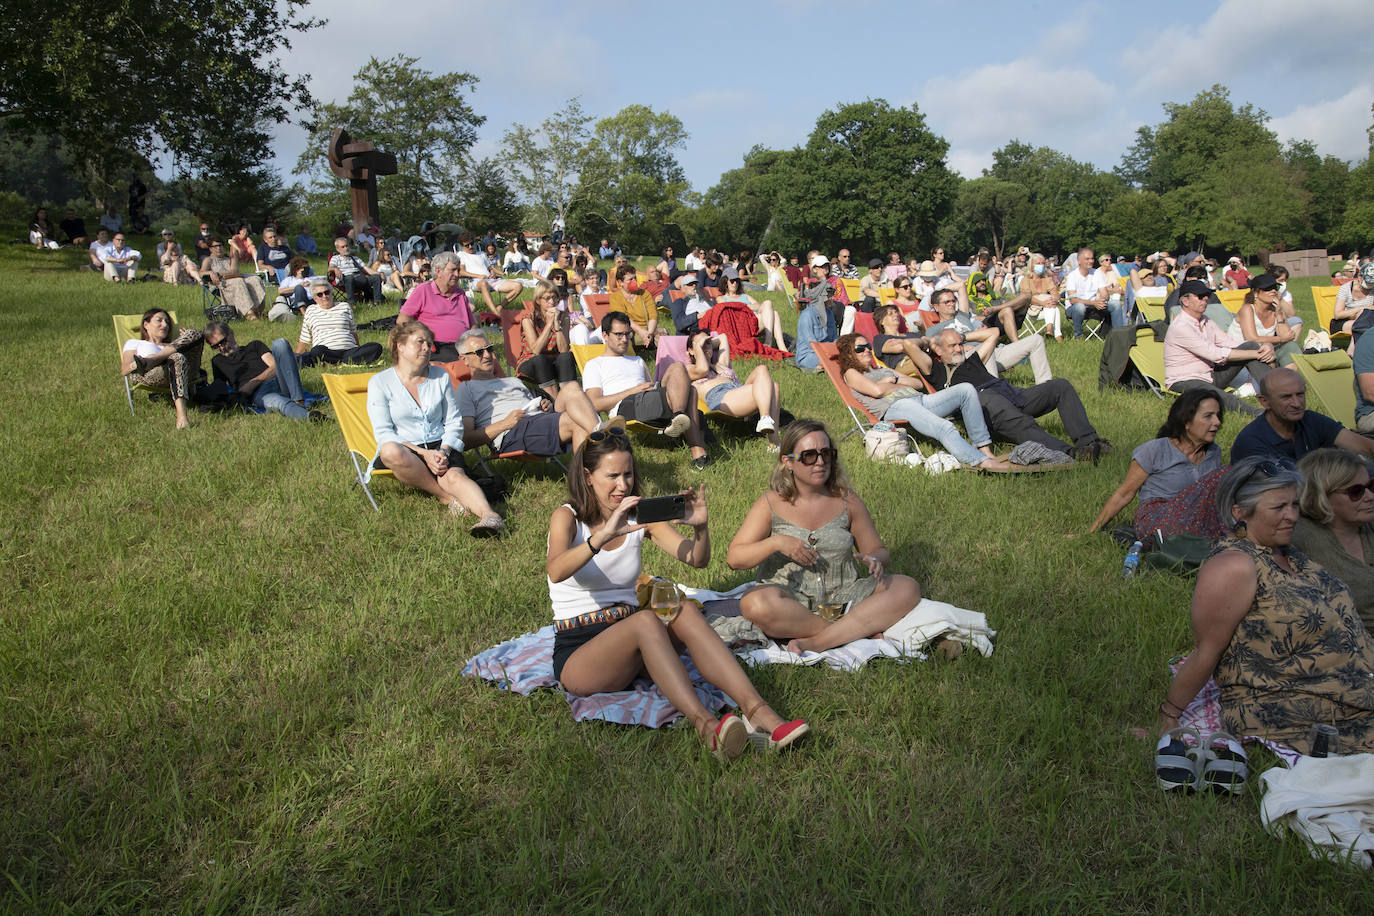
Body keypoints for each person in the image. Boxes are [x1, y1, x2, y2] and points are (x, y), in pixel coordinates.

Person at [546, 428, 808, 759]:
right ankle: (708, 728)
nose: (623, 484)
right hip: (581, 652)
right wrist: (602, 536)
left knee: (681, 609)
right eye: (612, 476)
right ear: (587, 476)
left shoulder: (640, 518)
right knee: (646, 621)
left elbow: (697, 560)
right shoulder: (568, 518)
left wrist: (700, 527)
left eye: (628, 474)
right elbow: (556, 569)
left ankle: (758, 712)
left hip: (632, 642)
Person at [1154, 458, 1374, 755]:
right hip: (1296, 706)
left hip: (1351, 690)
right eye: (1279, 507)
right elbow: (1206, 650)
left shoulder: (1285, 552)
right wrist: (1170, 714)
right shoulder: (1234, 566)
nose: (1292, 516)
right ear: (1239, 513)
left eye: (1295, 505)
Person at [726, 419, 923, 654]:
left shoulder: (847, 500)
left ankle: (819, 641)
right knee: (754, 603)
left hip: (845, 596)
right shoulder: (770, 503)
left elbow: (878, 550)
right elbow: (735, 558)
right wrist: (776, 542)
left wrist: (876, 560)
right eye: (809, 456)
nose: (820, 462)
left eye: (826, 454)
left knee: (906, 587)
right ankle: (852, 631)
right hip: (791, 601)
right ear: (788, 462)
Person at [365, 321, 505, 536]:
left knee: (455, 477)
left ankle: (490, 517)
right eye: (420, 342)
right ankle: (446, 497)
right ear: (400, 346)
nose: (427, 348)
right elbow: (384, 433)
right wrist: (424, 453)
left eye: (429, 343)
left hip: (441, 444)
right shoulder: (380, 382)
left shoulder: (440, 376)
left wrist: (444, 451)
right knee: (389, 451)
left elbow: (453, 421)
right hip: (407, 448)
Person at [925, 328, 1110, 461]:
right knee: (1019, 420)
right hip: (986, 406)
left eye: (960, 344)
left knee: (1060, 386)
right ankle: (1069, 452)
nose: (958, 349)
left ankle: (1090, 442)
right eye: (952, 346)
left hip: (1014, 395)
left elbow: (994, 332)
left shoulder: (972, 360)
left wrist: (962, 336)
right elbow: (909, 345)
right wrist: (928, 341)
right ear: (939, 350)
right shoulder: (937, 372)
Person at [836, 333, 1010, 470]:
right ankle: (979, 461)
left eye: (867, 346)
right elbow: (877, 391)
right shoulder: (851, 373)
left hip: (920, 399)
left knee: (965, 389)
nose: (867, 350)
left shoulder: (881, 369)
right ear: (849, 354)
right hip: (897, 406)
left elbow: (917, 384)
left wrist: (893, 381)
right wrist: (890, 382)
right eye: (860, 348)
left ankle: (984, 448)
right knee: (944, 426)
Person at [1086, 388, 1227, 540]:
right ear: (1187, 421)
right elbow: (1124, 494)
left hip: (1197, 519)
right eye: (1208, 416)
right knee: (1224, 475)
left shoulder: (1214, 453)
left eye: (1218, 416)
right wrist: (1091, 533)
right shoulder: (1155, 450)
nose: (1217, 422)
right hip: (1160, 518)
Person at [582, 312, 710, 470]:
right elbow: (594, 404)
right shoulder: (594, 365)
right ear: (605, 335)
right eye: (618, 334)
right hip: (627, 406)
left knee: (678, 368)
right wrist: (632, 390)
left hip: (648, 398)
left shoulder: (637, 360)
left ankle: (679, 419)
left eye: (627, 334)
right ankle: (697, 451)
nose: (625, 339)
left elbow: (652, 386)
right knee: (689, 392)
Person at [455, 328, 600, 458]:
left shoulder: (513, 381)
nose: (488, 355)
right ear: (464, 359)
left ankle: (600, 435)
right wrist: (505, 424)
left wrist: (545, 406)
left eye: (490, 349)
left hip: (537, 421)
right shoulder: (466, 389)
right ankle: (602, 439)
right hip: (513, 433)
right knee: (576, 420)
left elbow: (536, 409)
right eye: (479, 352)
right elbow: (465, 439)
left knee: (572, 387)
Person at [1164, 279, 1274, 416]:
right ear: (1185, 301)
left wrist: (1263, 347)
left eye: (1206, 296)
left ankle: (1277, 393)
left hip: (1211, 375)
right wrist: (1256, 353)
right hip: (1185, 380)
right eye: (1200, 296)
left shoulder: (1206, 320)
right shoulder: (1180, 327)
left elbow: (1230, 343)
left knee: (1250, 346)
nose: (1205, 299)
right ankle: (1261, 414)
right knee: (1219, 395)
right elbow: (1215, 354)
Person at [1294, 448, 1374, 631]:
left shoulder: (1368, 525)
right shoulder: (1301, 539)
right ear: (1322, 495)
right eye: (1356, 491)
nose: (1370, 497)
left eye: (1371, 486)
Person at [1229, 367, 1374, 466]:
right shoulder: (1252, 441)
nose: (1297, 403)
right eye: (1286, 397)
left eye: (1300, 394)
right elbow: (1280, 491)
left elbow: (1364, 446)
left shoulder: (1310, 420)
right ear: (1264, 402)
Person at [926, 288, 1053, 384]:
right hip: (969, 357)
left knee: (1036, 340)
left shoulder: (962, 316)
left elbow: (961, 286)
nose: (951, 304)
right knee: (987, 346)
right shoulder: (933, 330)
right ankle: (997, 392)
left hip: (994, 352)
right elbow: (939, 351)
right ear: (936, 307)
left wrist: (977, 335)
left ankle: (1046, 387)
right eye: (946, 302)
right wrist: (963, 346)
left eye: (953, 300)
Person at [204, 323, 322, 422]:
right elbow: (219, 387)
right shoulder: (218, 361)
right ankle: (307, 416)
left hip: (279, 382)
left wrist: (252, 383)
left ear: (231, 333)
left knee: (280, 343)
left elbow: (275, 367)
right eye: (216, 346)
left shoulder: (254, 346)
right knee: (278, 402)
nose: (222, 348)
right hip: (259, 395)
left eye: (223, 342)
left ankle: (298, 400)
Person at [685, 330, 782, 450]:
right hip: (721, 396)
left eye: (708, 343)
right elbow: (703, 370)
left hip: (738, 390)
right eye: (701, 344)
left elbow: (723, 337)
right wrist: (699, 346)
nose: (706, 346)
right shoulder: (689, 369)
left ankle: (766, 423)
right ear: (691, 350)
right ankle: (773, 440)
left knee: (763, 370)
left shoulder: (721, 364)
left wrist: (706, 342)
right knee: (773, 388)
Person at [121, 308, 205, 430]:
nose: (164, 325)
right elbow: (124, 370)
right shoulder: (135, 343)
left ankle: (152, 360)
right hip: (150, 374)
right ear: (146, 324)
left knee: (195, 333)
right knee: (176, 356)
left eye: (167, 322)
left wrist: (185, 340)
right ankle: (182, 417)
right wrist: (136, 364)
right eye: (159, 320)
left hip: (184, 371)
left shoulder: (173, 344)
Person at [397, 251, 476, 363]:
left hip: (463, 345)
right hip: (436, 347)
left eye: (458, 270)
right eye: (452, 270)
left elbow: (472, 324)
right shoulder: (424, 290)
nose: (457, 274)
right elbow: (402, 320)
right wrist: (422, 338)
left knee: (488, 360)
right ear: (438, 271)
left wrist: (476, 343)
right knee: (461, 362)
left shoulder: (460, 294)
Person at [293, 277, 384, 367]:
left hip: (349, 350)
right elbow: (305, 338)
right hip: (326, 351)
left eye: (327, 292)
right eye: (320, 294)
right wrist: (296, 356)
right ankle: (348, 362)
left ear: (331, 293)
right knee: (316, 351)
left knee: (376, 347)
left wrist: (359, 349)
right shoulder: (311, 310)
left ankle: (338, 362)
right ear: (315, 298)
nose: (324, 296)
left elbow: (353, 332)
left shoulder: (344, 306)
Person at [515, 279, 578, 396]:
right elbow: (535, 350)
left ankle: (569, 397)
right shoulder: (528, 319)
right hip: (531, 362)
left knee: (566, 356)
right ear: (538, 300)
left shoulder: (564, 317)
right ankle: (554, 400)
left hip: (554, 362)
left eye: (555, 298)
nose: (552, 302)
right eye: (547, 298)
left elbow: (563, 349)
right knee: (540, 359)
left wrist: (556, 324)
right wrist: (549, 324)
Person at [1226, 274, 1301, 366]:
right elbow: (1252, 338)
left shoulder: (1276, 309)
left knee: (1291, 346)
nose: (1273, 291)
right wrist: (1281, 339)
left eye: (1275, 287)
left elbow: (1287, 336)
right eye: (1268, 288)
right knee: (1268, 356)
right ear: (1256, 293)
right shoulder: (1248, 309)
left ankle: (1290, 378)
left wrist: (1279, 313)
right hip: (1243, 356)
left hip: (1266, 350)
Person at [456, 232, 520, 318]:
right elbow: (461, 272)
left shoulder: (482, 254)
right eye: (467, 245)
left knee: (518, 286)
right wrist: (479, 276)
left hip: (490, 280)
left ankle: (499, 308)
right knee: (483, 284)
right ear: (462, 246)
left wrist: (493, 274)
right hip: (474, 281)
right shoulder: (461, 255)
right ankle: (496, 314)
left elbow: (491, 268)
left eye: (472, 243)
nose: (470, 246)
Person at [717, 270, 785, 349]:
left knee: (771, 308)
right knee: (773, 313)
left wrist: (744, 307)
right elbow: (729, 310)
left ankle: (781, 347)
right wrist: (748, 307)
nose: (735, 283)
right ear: (725, 282)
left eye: (737, 281)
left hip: (756, 321)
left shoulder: (745, 296)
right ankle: (769, 342)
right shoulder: (721, 298)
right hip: (743, 325)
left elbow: (759, 306)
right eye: (732, 281)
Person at [201, 238, 266, 319]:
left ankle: (258, 310)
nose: (219, 248)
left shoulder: (229, 258)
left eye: (220, 245)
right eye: (215, 246)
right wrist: (210, 272)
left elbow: (234, 271)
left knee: (255, 279)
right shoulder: (208, 260)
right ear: (210, 248)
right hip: (222, 284)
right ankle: (249, 313)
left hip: (235, 278)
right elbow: (201, 273)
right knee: (238, 281)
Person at [1064, 247, 1120, 337]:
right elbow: (1073, 300)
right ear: (1079, 261)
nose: (1091, 261)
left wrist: (1102, 298)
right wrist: (1093, 302)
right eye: (1087, 259)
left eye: (1092, 258)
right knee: (1079, 307)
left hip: (1094, 306)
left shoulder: (1096, 273)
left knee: (1116, 304)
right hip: (1074, 308)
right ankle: (1078, 336)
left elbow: (1105, 294)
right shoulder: (1072, 276)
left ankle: (1119, 334)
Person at [793, 259, 837, 372]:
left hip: (827, 352)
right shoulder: (807, 316)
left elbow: (834, 339)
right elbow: (812, 344)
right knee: (837, 362)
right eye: (829, 295)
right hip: (809, 355)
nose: (832, 298)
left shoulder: (829, 313)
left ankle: (826, 364)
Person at [609, 263, 662, 348]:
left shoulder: (644, 293)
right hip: (629, 329)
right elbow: (623, 318)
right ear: (620, 282)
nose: (634, 281)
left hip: (648, 328)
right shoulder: (615, 297)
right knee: (623, 335)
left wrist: (649, 333)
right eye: (630, 279)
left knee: (663, 334)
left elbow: (653, 315)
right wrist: (641, 332)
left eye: (635, 278)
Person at [870, 304, 928, 376]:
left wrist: (905, 343)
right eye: (890, 313)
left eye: (896, 312)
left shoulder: (910, 334)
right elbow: (899, 348)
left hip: (923, 357)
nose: (896, 315)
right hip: (905, 363)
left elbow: (928, 341)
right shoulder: (880, 338)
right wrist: (920, 343)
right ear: (882, 321)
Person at [1022, 253, 1063, 341]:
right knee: (1053, 308)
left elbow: (1055, 292)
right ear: (1032, 265)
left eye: (1042, 263)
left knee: (1054, 307)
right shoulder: (1025, 280)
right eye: (1038, 263)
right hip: (1031, 309)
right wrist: (1043, 303)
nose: (1041, 265)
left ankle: (1050, 331)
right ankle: (1056, 334)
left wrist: (1054, 300)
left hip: (1045, 308)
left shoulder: (1047, 279)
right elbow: (1027, 298)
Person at [329, 237, 384, 302]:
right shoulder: (336, 258)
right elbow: (330, 268)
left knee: (376, 277)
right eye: (343, 247)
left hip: (359, 279)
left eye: (347, 246)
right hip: (345, 280)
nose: (346, 248)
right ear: (338, 249)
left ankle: (377, 301)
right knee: (349, 278)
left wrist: (379, 274)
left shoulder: (355, 258)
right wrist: (335, 269)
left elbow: (366, 269)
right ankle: (351, 303)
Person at [1331, 261, 1374, 335]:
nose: (1370, 286)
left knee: (1365, 324)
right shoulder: (1346, 288)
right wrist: (1361, 309)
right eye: (1368, 282)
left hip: (1367, 321)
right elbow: (1338, 314)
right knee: (1363, 326)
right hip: (1344, 322)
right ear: (1360, 276)